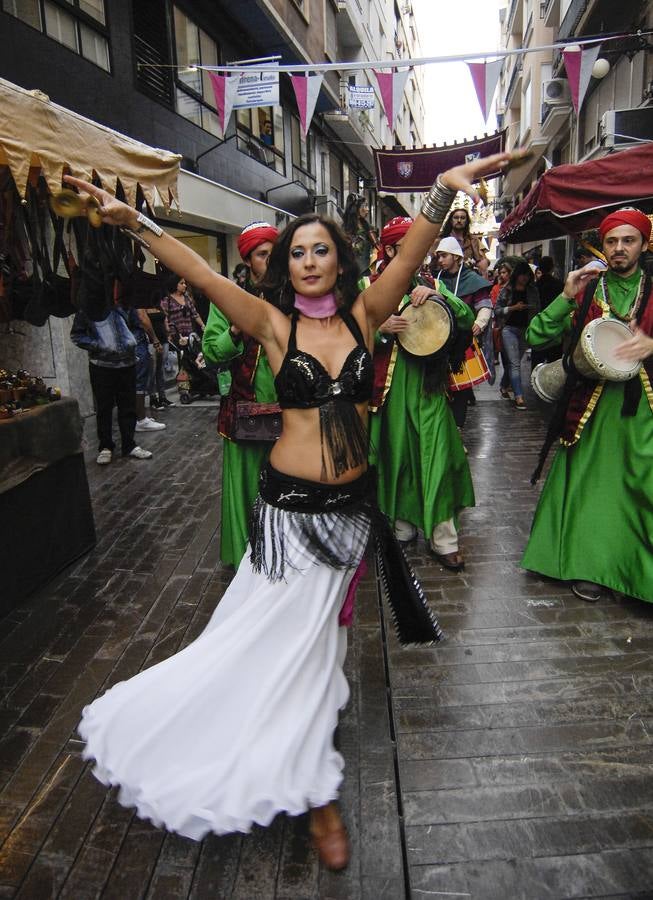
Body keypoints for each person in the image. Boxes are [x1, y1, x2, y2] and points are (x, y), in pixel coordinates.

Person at [64, 149, 513, 870]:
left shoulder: (368, 318)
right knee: (275, 642)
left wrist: (439, 192)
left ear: (338, 262)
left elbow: (413, 255)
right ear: (287, 266)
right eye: (297, 252)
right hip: (289, 516)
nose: (307, 261)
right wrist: (139, 224)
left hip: (348, 515)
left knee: (315, 648)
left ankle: (305, 771)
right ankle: (312, 793)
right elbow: (202, 273)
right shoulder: (273, 326)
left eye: (319, 251)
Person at [522, 207, 653, 604]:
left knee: (643, 485)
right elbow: (535, 334)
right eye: (612, 241)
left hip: (644, 409)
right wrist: (566, 294)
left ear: (644, 245)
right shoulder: (589, 290)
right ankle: (588, 566)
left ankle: (639, 575)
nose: (618, 249)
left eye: (628, 240)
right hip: (592, 407)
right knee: (589, 488)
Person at [369, 216, 475, 571]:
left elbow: (464, 318)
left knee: (438, 453)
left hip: (428, 385)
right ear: (389, 249)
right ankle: (402, 523)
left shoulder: (430, 282)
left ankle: (444, 536)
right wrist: (378, 327)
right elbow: (343, 331)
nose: (420, 253)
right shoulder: (366, 284)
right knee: (395, 456)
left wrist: (440, 298)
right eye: (408, 246)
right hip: (387, 390)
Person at [202, 221, 279, 569]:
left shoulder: (299, 296)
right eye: (263, 255)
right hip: (247, 413)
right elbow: (213, 351)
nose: (271, 261)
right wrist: (235, 327)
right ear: (248, 261)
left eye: (276, 254)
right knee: (246, 488)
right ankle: (247, 561)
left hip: (293, 411)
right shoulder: (227, 299)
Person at [70, 304, 154, 464]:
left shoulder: (124, 304)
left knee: (128, 406)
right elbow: (77, 335)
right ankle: (105, 446)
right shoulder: (88, 308)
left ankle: (129, 445)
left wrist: (130, 344)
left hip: (127, 363)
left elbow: (137, 326)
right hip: (101, 364)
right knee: (104, 407)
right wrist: (99, 345)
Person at [432, 236, 492, 429]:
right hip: (437, 341)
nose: (440, 260)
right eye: (438, 256)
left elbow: (484, 305)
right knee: (439, 388)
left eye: (444, 256)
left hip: (463, 341)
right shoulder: (434, 280)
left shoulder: (472, 279)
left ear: (457, 257)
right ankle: (445, 430)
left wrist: (480, 322)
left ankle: (457, 431)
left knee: (461, 389)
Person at [494, 261, 539, 410]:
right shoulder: (507, 289)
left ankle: (503, 385)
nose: (525, 278)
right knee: (514, 363)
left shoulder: (532, 290)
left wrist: (529, 308)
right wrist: (513, 308)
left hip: (525, 329)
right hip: (509, 329)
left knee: (515, 362)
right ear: (517, 275)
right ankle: (519, 396)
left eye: (527, 275)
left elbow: (538, 308)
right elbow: (497, 310)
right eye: (522, 275)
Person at [440, 207, 489, 276]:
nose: (459, 220)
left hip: (467, 276)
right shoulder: (442, 238)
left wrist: (476, 252)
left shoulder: (473, 239)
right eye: (456, 218)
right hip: (446, 276)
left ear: (466, 221)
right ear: (451, 221)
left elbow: (483, 262)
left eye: (462, 218)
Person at [341, 193, 378, 277]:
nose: (367, 209)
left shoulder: (369, 229)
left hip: (366, 274)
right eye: (365, 206)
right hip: (348, 274)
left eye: (367, 206)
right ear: (356, 209)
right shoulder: (342, 230)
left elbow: (378, 249)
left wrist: (374, 267)